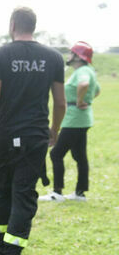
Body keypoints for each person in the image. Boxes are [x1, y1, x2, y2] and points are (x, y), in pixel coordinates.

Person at [0, 6, 65, 255]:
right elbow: (60, 102)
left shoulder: (0, 55)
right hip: (35, 137)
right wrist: (54, 130)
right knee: (24, 194)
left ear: (12, 24)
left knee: (1, 190)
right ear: (32, 26)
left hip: (3, 135)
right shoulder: (54, 58)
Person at [40, 41, 100, 203]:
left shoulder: (82, 72)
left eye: (71, 53)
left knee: (56, 153)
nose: (68, 56)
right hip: (83, 118)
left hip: (73, 120)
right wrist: (86, 100)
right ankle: (80, 193)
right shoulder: (89, 70)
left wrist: (79, 101)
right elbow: (97, 90)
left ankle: (57, 193)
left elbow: (84, 84)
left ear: (77, 56)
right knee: (80, 155)